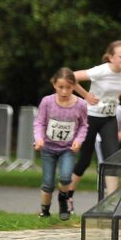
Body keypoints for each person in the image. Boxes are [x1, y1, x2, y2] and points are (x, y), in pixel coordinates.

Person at [70, 40, 121, 198]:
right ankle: (67, 195)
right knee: (84, 160)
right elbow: (70, 78)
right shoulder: (100, 71)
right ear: (111, 58)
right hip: (90, 118)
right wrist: (86, 95)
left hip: (109, 118)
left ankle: (112, 201)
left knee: (113, 160)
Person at [33, 68, 88, 220]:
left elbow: (84, 125)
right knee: (48, 183)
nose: (64, 91)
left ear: (74, 86)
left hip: (68, 149)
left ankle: (63, 199)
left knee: (65, 177)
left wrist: (78, 141)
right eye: (60, 87)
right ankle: (45, 211)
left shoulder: (80, 104)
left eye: (68, 88)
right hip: (48, 148)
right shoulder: (47, 102)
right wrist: (39, 138)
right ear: (54, 85)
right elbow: (39, 122)